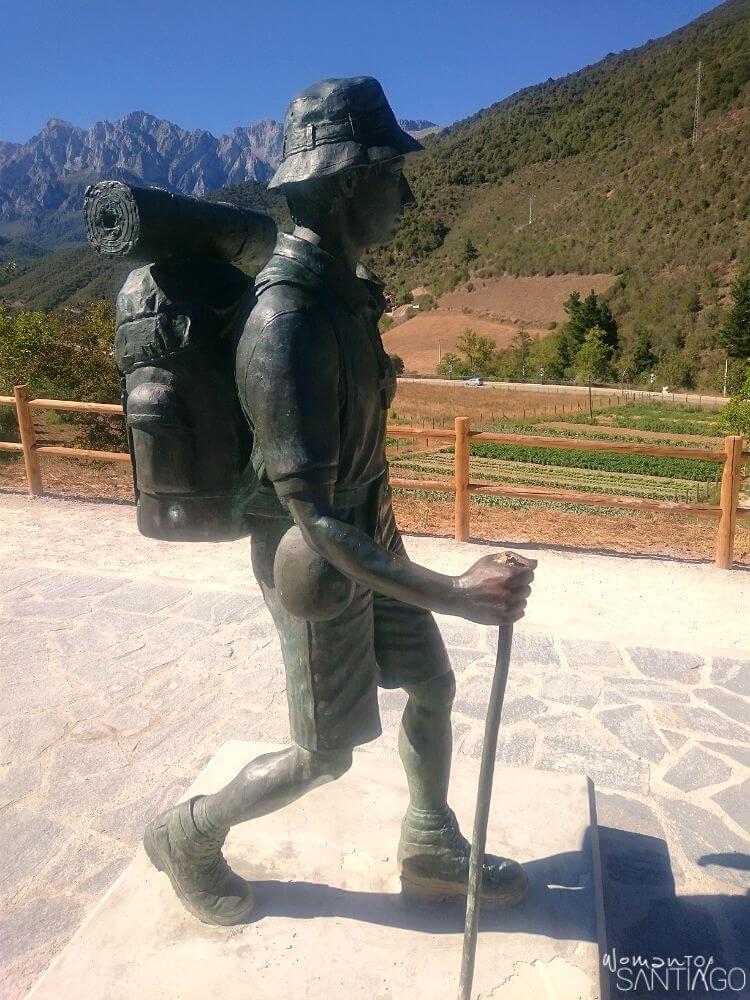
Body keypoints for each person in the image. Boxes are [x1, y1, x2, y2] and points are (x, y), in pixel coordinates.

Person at [144, 77, 536, 926]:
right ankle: (187, 835)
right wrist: (454, 593)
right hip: (313, 555)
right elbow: (312, 518)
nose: (406, 193)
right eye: (394, 175)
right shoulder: (285, 320)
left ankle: (430, 838)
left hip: (371, 530)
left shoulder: (345, 295)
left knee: (432, 682)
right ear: (351, 182)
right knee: (323, 754)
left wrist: (412, 567)